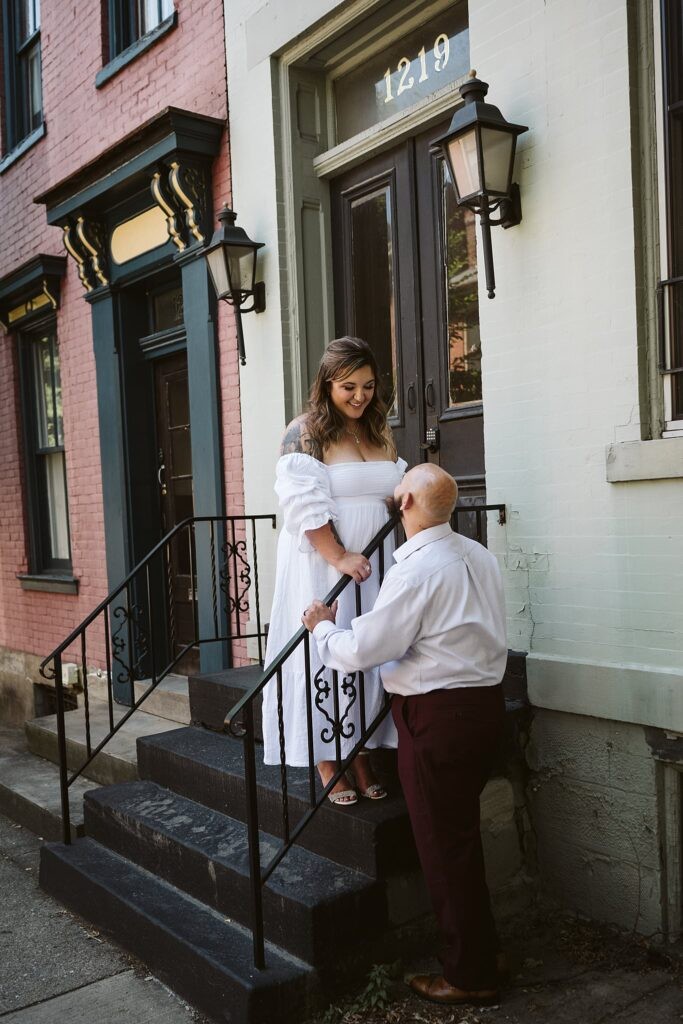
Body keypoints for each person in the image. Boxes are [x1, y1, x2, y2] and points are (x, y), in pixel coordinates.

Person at [302, 463, 508, 1006]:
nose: (393, 497)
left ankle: (468, 975)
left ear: (409, 503)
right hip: (485, 709)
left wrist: (322, 626)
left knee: (444, 849)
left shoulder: (416, 570)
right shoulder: (478, 555)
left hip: (439, 718)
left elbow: (364, 649)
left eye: (398, 491)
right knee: (459, 840)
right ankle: (480, 954)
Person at [261, 336, 403, 805]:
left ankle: (358, 751)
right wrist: (339, 556)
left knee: (363, 651)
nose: (359, 396)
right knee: (323, 651)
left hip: (373, 564)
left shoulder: (377, 429)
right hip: (324, 564)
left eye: (367, 385)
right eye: (348, 387)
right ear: (326, 385)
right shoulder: (304, 432)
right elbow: (301, 503)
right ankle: (326, 756)